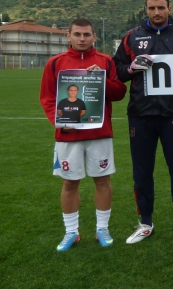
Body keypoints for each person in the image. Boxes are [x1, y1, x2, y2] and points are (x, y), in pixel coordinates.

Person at [114, 0, 173, 243]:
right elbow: (117, 70)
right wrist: (130, 68)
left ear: (169, 9)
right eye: (152, 8)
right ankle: (146, 222)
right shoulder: (132, 37)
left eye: (161, 7)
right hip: (141, 115)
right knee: (142, 171)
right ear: (146, 9)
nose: (157, 12)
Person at [40, 18, 127, 251]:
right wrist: (58, 122)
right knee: (69, 183)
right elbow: (48, 98)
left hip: (99, 133)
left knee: (102, 180)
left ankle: (102, 228)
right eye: (77, 34)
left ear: (94, 36)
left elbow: (120, 93)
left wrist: (102, 80)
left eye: (86, 34)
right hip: (68, 135)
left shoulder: (106, 61)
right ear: (68, 36)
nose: (82, 39)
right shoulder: (55, 63)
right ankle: (71, 232)